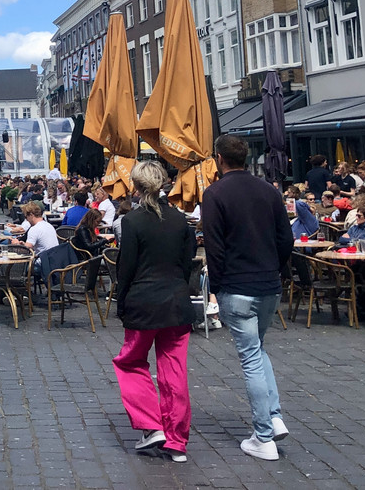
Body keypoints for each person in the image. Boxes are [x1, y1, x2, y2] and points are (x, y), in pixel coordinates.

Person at [202, 134, 293, 461]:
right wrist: (275, 267)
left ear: (218, 159)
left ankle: (264, 436)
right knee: (259, 349)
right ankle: (274, 415)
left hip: (237, 286)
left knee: (251, 357)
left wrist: (219, 285)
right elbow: (286, 238)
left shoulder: (214, 194)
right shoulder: (269, 191)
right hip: (268, 284)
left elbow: (214, 246)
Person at [112, 160, 196, 464]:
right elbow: (187, 265)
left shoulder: (132, 222)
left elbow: (127, 268)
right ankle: (176, 440)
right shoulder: (181, 221)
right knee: (174, 370)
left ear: (135, 186)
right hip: (176, 300)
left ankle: (150, 424)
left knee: (130, 361)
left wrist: (121, 303)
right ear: (164, 183)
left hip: (143, 302)